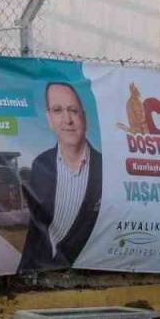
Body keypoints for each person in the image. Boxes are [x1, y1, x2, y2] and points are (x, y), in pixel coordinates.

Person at [18, 82, 102, 273]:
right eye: (57, 110)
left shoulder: (105, 169)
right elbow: (36, 231)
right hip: (38, 274)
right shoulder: (40, 165)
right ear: (49, 118)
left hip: (88, 275)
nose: (67, 120)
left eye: (73, 110)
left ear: (84, 117)